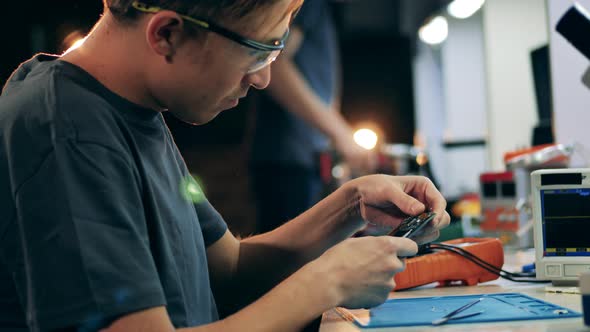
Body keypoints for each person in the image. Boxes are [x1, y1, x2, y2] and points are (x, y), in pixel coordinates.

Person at [0, 0, 450, 331]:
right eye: (259, 52)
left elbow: (229, 268)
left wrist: (351, 205)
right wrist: (328, 282)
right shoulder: (66, 128)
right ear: (167, 34)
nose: (263, 78)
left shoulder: (134, 110)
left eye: (275, 53)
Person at [250, 0, 376, 233]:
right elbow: (273, 66)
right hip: (289, 162)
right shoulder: (308, 4)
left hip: (301, 160)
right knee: (290, 264)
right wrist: (341, 134)